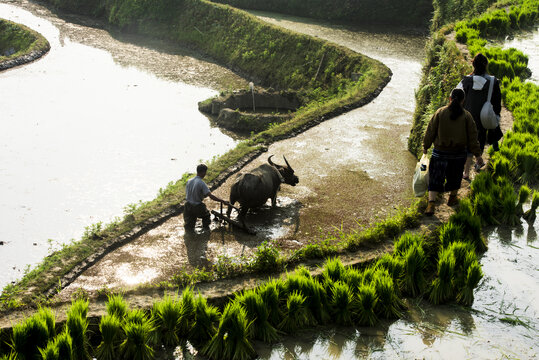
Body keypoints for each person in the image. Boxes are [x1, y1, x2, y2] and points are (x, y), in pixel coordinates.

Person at [423, 88, 483, 216]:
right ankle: (452, 198)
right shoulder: (467, 116)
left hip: (439, 153)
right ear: (463, 101)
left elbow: (430, 131)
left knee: (435, 178)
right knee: (455, 177)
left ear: (449, 98)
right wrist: (478, 155)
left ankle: (431, 204)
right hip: (458, 154)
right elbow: (473, 137)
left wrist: (425, 146)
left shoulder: (440, 112)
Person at [457, 53, 502, 179]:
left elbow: (458, 97)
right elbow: (497, 103)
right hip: (483, 117)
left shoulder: (466, 80)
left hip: (466, 116)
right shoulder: (493, 81)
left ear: (473, 64)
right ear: (486, 65)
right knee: (479, 140)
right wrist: (496, 116)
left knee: (467, 143)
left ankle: (465, 172)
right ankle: (477, 163)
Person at [184, 164, 229, 231]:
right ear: (203, 172)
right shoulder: (201, 183)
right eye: (205, 172)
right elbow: (211, 196)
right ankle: (205, 231)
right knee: (206, 216)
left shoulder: (189, 181)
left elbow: (191, 193)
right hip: (197, 206)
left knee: (189, 223)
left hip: (187, 205)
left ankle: (189, 236)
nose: (205, 174)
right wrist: (222, 201)